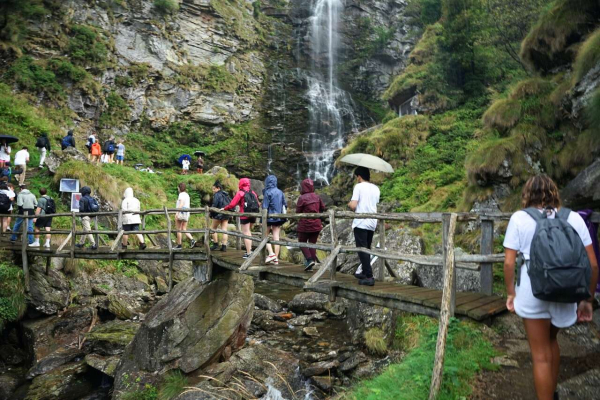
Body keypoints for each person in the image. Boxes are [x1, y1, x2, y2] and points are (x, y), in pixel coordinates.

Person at [503, 175, 598, 400]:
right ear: (554, 193)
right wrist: (587, 299)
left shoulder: (519, 218)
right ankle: (552, 392)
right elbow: (593, 264)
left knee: (540, 355)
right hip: (565, 292)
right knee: (552, 341)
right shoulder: (573, 218)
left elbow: (508, 263)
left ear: (527, 194)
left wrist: (511, 293)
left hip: (531, 293)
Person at [348, 167, 380, 286]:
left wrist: (350, 203)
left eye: (357, 176)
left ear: (359, 176)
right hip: (372, 221)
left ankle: (369, 277)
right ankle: (364, 272)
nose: (357, 179)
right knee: (367, 248)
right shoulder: (376, 188)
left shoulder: (359, 187)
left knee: (362, 249)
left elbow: (353, 205)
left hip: (361, 222)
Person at [222, 178, 260, 259]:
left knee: (246, 233)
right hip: (254, 215)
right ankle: (249, 250)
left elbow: (232, 204)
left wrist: (225, 208)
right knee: (249, 232)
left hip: (244, 215)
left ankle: (249, 253)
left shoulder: (240, 193)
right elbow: (258, 203)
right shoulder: (253, 192)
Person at [296, 178, 326, 271]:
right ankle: (311, 264)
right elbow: (322, 208)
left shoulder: (302, 198)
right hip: (316, 224)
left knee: (302, 242)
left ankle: (309, 260)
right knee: (312, 244)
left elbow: (298, 212)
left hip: (305, 224)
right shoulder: (317, 196)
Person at [263, 175, 287, 265]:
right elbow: (285, 204)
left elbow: (265, 206)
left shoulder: (267, 192)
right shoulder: (280, 192)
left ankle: (271, 253)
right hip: (279, 217)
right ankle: (276, 258)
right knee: (276, 237)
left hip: (269, 218)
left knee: (264, 236)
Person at [210, 181, 230, 252]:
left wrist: (211, 213)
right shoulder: (226, 194)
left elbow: (215, 204)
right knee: (224, 229)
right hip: (226, 213)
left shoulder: (217, 195)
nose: (213, 190)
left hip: (218, 214)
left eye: (214, 189)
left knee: (213, 228)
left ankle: (215, 244)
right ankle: (224, 246)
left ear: (218, 188)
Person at [174, 182, 196, 250]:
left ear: (179, 188)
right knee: (184, 228)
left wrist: (177, 212)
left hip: (181, 212)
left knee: (178, 229)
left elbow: (182, 203)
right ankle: (192, 239)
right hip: (186, 213)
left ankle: (179, 245)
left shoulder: (181, 194)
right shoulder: (187, 195)